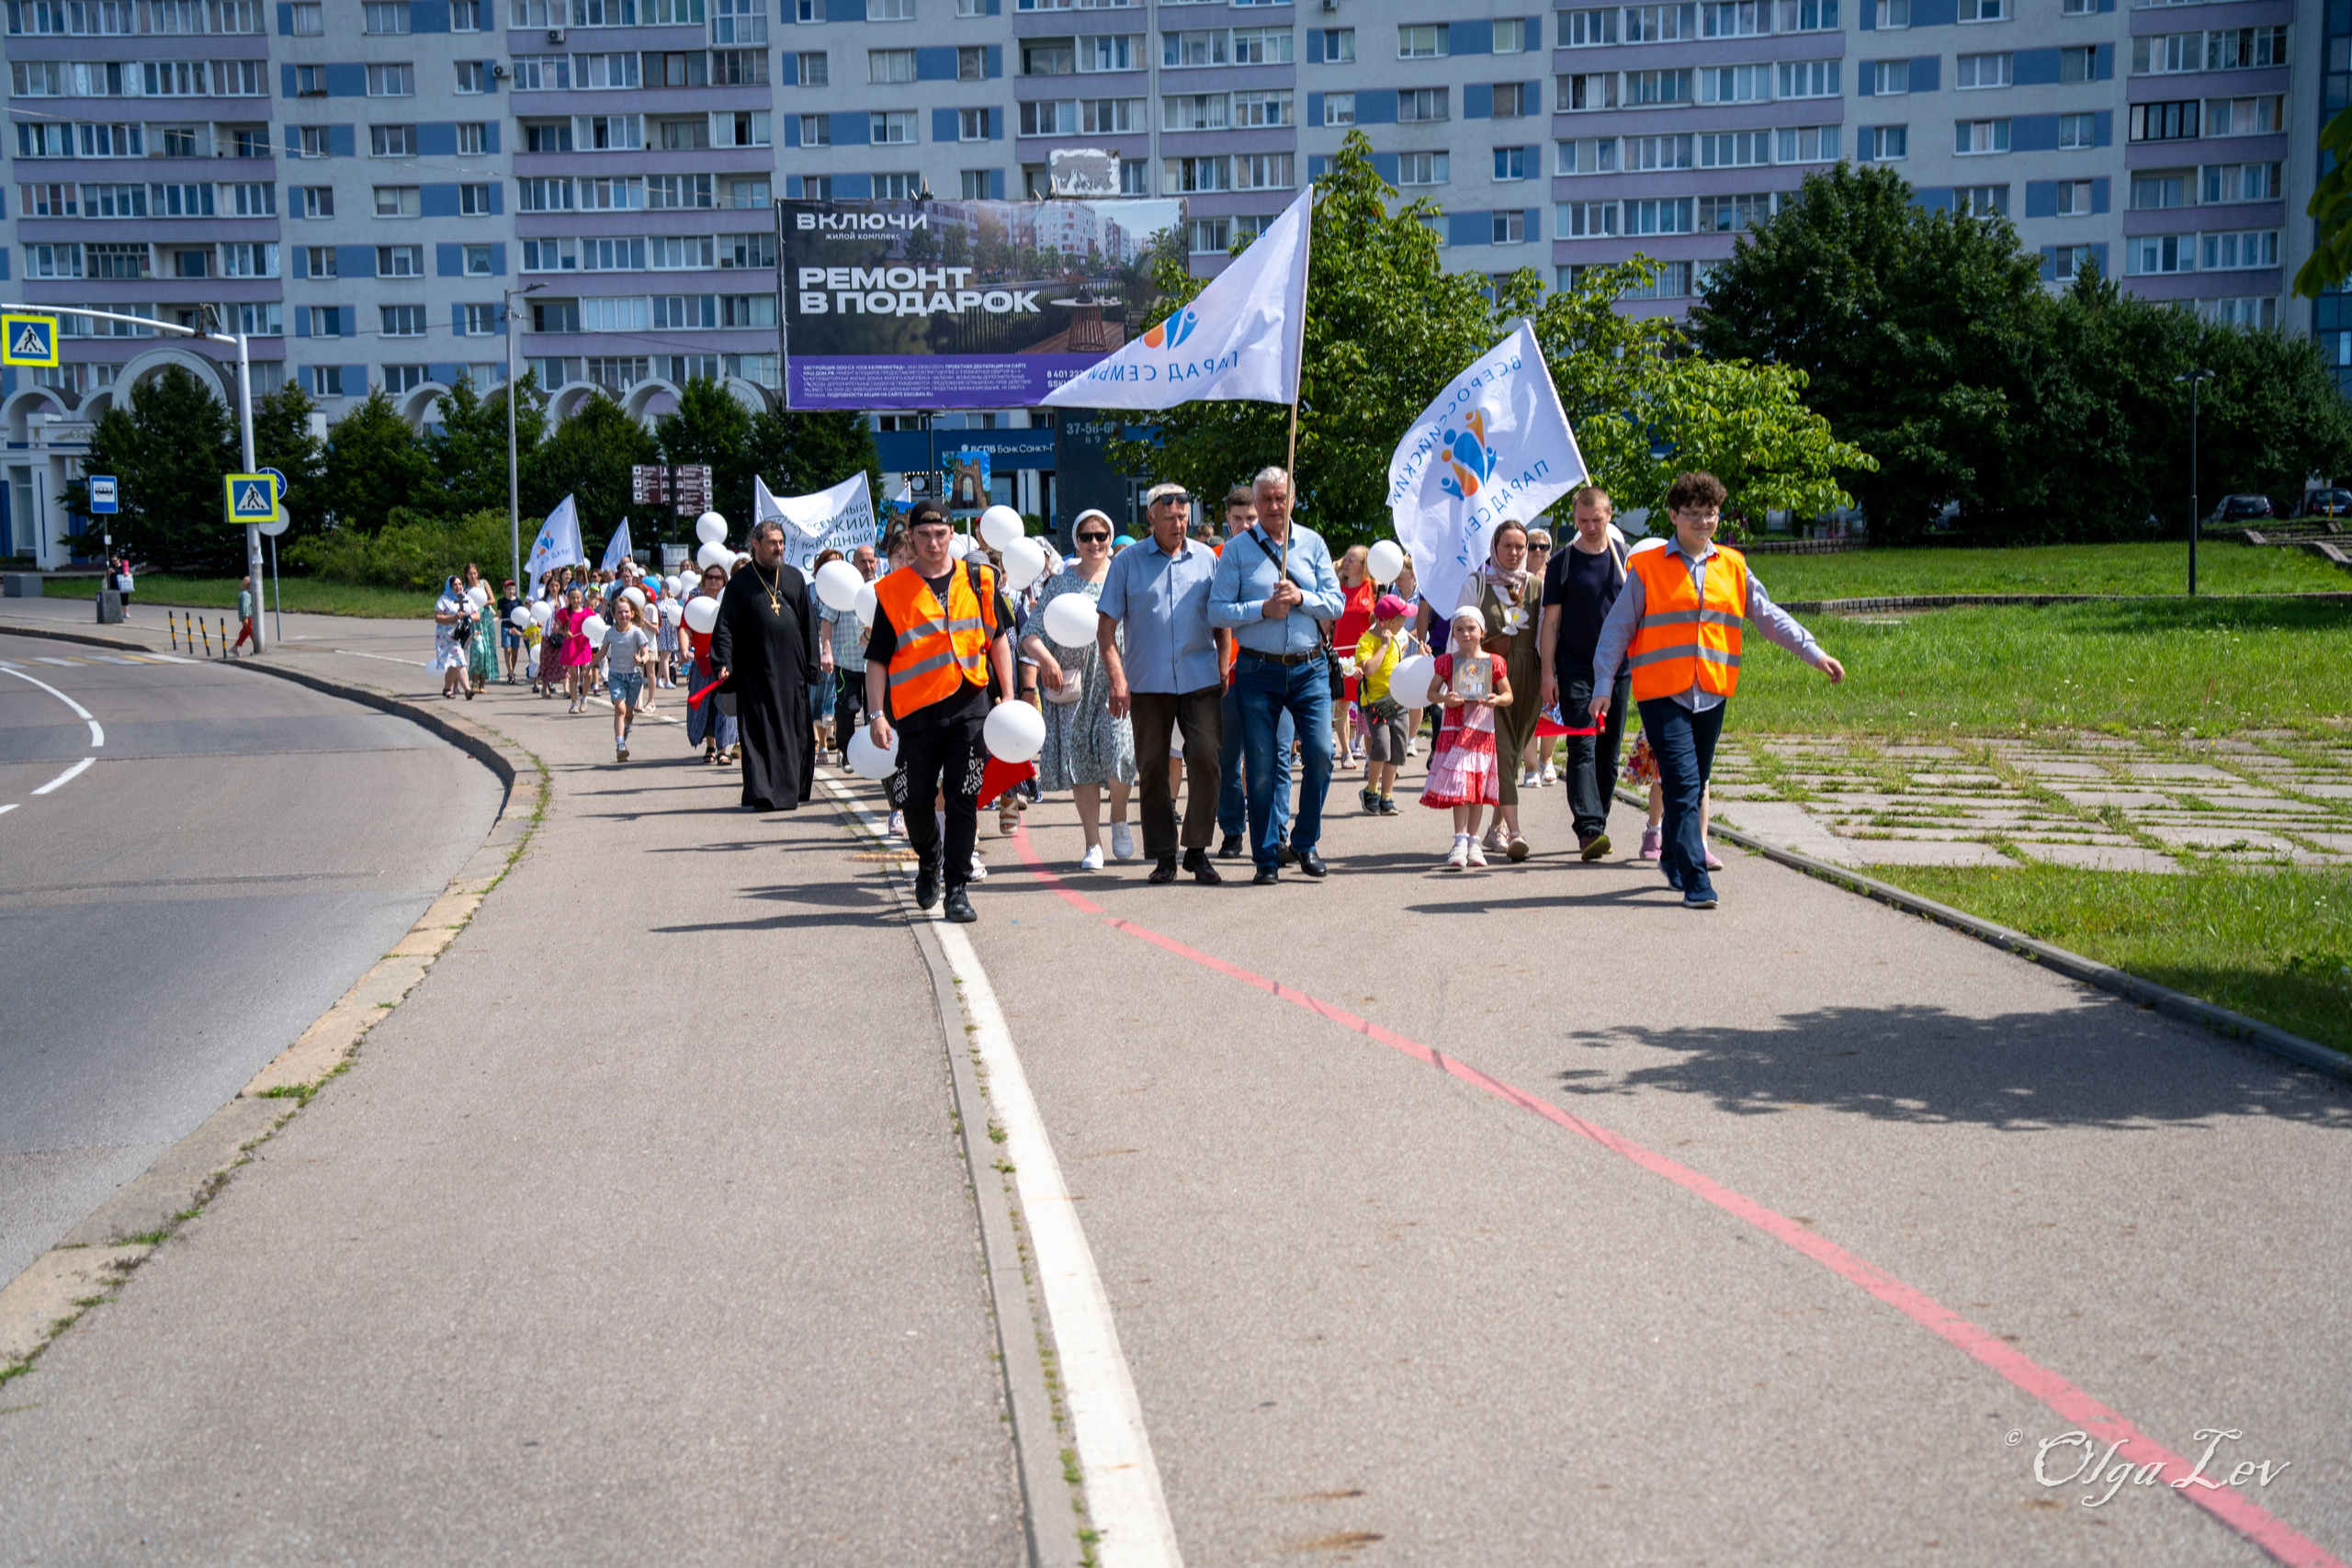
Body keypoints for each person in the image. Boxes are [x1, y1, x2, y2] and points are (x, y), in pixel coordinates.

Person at [1589, 470, 1845, 910]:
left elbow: (1767, 616)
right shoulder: (1647, 568)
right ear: (1673, 516)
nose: (1704, 522)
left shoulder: (1732, 565)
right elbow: (1616, 630)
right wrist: (1603, 685)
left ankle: (1671, 855)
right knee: (1684, 783)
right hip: (1661, 693)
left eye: (1711, 514)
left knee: (1693, 780)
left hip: (1712, 690)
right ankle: (1696, 879)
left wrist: (1813, 652)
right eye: (1693, 515)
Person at [865, 501, 1018, 923]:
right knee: (913, 802)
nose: (933, 543)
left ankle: (957, 889)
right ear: (911, 538)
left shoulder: (980, 579)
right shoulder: (893, 590)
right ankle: (929, 860)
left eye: (940, 534)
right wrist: (877, 714)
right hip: (915, 714)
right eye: (924, 535)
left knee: (963, 798)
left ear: (952, 534)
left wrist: (1008, 695)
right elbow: (876, 660)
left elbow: (999, 639)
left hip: (970, 709)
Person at [1208, 466, 1343, 885]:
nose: (1272, 506)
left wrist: (1302, 598)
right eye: (1264, 498)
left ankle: (1305, 841)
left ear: (1292, 499)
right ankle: (1266, 857)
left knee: (1321, 753)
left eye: (1279, 498)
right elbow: (1217, 610)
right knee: (1263, 768)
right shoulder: (1237, 550)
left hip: (1309, 669)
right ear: (1255, 500)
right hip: (1257, 669)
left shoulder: (1313, 544)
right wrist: (1260, 610)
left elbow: (1336, 604)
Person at [1097, 487, 1225, 886]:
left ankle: (1198, 851)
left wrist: (1223, 663)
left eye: (1183, 517)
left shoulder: (1206, 559)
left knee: (1205, 759)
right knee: (1152, 766)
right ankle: (1165, 856)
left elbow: (1219, 618)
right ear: (1150, 518)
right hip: (1148, 682)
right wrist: (1117, 678)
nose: (1178, 524)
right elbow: (1105, 629)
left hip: (1199, 677)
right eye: (1169, 518)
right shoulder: (1128, 563)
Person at [1023, 510, 1137, 871]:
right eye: (1086, 536)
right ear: (1076, 541)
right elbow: (1030, 633)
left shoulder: (1123, 578)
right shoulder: (1059, 583)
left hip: (1114, 681)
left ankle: (1118, 818)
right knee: (1081, 764)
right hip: (1072, 682)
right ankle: (1093, 843)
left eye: (1101, 536)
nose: (1094, 543)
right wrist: (1046, 661)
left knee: (1120, 752)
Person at [1539, 486, 1633, 861]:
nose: (1591, 527)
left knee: (1609, 755)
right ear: (1575, 518)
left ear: (1610, 515)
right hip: (1575, 667)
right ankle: (1589, 828)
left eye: (1597, 519)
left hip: (1618, 669)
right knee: (1583, 744)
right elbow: (1550, 624)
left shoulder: (1625, 558)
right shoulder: (1562, 563)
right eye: (1583, 520)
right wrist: (1549, 673)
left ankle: (1598, 822)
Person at [712, 517, 821, 812]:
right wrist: (723, 661)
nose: (779, 548)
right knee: (761, 735)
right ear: (756, 544)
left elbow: (807, 624)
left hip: (792, 672)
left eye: (782, 543)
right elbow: (725, 628)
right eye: (773, 543)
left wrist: (813, 663)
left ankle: (793, 788)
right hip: (756, 673)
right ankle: (763, 792)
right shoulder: (740, 583)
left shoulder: (794, 577)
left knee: (796, 734)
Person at [1210, 485, 1290, 862]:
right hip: (1230, 673)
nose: (1244, 525)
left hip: (1273, 667)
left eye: (1251, 519)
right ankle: (1231, 828)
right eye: (1237, 519)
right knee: (1228, 757)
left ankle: (1276, 829)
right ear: (1227, 520)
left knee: (1276, 757)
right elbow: (1215, 615)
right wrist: (1221, 664)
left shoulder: (1281, 556)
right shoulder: (1216, 557)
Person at [1455, 520, 1542, 862]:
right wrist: (1458, 683)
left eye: (1521, 546)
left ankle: (1495, 829)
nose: (1515, 552)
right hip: (1487, 678)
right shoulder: (1478, 584)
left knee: (1515, 752)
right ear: (1494, 548)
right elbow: (1459, 632)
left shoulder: (1536, 586)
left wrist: (1549, 675)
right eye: (1507, 545)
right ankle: (1515, 831)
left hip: (1528, 678)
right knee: (1502, 751)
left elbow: (1542, 635)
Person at [1423, 606, 1511, 869]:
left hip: (1481, 733)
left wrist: (1497, 699)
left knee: (1475, 788)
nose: (1465, 633)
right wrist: (1444, 698)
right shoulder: (1448, 662)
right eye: (1459, 629)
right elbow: (1431, 693)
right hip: (1454, 729)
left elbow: (1508, 694)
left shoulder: (1493, 662)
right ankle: (1460, 841)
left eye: (1471, 628)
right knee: (1460, 786)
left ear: (1482, 631)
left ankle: (1474, 842)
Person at [1352, 592, 1415, 815]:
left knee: (1397, 750)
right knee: (1382, 747)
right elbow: (1369, 670)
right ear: (1389, 622)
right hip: (1376, 704)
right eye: (1402, 619)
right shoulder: (1367, 641)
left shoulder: (1398, 638)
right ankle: (1371, 791)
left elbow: (1399, 665)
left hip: (1399, 701)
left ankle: (1387, 796)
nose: (1404, 623)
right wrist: (1384, 645)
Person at [821, 543, 876, 766]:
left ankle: (873, 754)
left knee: (875, 712)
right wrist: (827, 651)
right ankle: (846, 752)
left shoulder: (883, 586)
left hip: (875, 663)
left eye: (871, 561)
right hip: (847, 663)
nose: (867, 565)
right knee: (846, 710)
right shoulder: (843, 586)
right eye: (862, 561)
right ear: (853, 564)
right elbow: (826, 621)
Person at [683, 563, 739, 764]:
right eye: (710, 577)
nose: (713, 581)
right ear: (704, 579)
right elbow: (684, 626)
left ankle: (724, 749)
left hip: (727, 661)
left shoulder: (731, 601)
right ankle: (711, 746)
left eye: (718, 578)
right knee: (705, 706)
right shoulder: (695, 602)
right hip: (702, 662)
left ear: (724, 581)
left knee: (725, 705)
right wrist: (683, 650)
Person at [1331, 544, 1374, 766]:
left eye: (1352, 560)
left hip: (1365, 654)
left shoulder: (1374, 588)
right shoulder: (1337, 588)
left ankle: (1370, 754)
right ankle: (1346, 751)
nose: (1346, 563)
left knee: (1368, 702)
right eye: (1345, 559)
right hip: (1341, 652)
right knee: (1342, 702)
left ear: (1363, 565)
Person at [1521, 528, 1555, 785]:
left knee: (1550, 709)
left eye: (1543, 546)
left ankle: (1547, 758)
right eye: (1532, 546)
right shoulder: (1516, 580)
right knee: (1527, 712)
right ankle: (1531, 766)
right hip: (1524, 651)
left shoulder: (1557, 576)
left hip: (1551, 652)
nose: (1538, 551)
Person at [603, 595, 652, 761]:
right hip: (616, 675)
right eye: (619, 612)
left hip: (634, 677)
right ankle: (620, 745)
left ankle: (627, 728)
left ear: (631, 613)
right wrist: (589, 666)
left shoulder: (637, 632)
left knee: (629, 713)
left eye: (626, 612)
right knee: (620, 709)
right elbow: (602, 653)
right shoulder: (610, 633)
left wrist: (641, 660)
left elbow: (646, 653)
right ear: (614, 614)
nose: (623, 615)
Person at [559, 586, 596, 712]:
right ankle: (574, 704)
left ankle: (584, 698)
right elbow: (558, 628)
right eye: (573, 598)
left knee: (588, 673)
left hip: (584, 646)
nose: (575, 600)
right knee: (574, 675)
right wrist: (565, 633)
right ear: (568, 599)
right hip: (571, 645)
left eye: (578, 598)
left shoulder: (587, 612)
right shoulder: (565, 613)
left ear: (582, 598)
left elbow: (594, 625)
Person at [433, 576, 470, 699]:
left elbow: (476, 613)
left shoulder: (466, 598)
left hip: (462, 635)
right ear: (450, 586)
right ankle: (468, 690)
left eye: (460, 584)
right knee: (460, 659)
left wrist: (469, 618)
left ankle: (447, 688)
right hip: (448, 636)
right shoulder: (444, 600)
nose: (458, 587)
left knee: (454, 664)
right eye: (455, 585)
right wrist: (454, 617)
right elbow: (438, 617)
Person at [463, 564, 499, 694]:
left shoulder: (484, 583)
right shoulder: (465, 588)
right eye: (470, 574)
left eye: (475, 573)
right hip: (474, 622)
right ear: (466, 575)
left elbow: (493, 599)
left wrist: (485, 602)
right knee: (478, 651)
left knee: (487, 652)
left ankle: (482, 684)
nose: (473, 576)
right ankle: (474, 681)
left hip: (486, 621)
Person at [496, 579, 523, 683]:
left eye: (513, 589)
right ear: (504, 589)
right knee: (507, 649)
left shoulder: (518, 601)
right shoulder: (501, 601)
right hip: (506, 627)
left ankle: (511, 670)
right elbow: (499, 615)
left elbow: (521, 613)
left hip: (516, 628)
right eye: (509, 589)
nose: (511, 591)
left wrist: (517, 620)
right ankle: (511, 673)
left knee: (515, 651)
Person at [231, 575, 257, 655]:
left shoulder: (244, 593)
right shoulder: (245, 595)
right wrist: (245, 617)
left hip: (248, 616)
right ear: (247, 585)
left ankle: (234, 648)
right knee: (253, 632)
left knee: (245, 633)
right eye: (250, 585)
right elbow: (245, 606)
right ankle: (257, 649)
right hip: (248, 617)